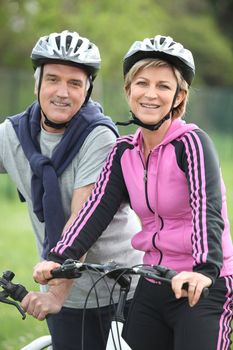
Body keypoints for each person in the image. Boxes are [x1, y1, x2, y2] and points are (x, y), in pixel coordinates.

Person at [23, 35, 233, 350]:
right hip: (152, 280)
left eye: (163, 86)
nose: (151, 94)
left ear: (179, 96)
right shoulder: (124, 152)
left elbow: (207, 208)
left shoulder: (191, 143)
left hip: (202, 285)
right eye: (142, 83)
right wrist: (58, 257)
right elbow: (94, 210)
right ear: (128, 90)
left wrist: (203, 270)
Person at [0, 30, 143, 350]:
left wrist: (56, 295)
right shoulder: (12, 134)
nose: (62, 92)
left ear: (88, 90)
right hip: (66, 294)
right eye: (52, 79)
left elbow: (82, 221)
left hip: (123, 287)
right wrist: (59, 295)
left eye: (75, 83)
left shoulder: (99, 137)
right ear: (37, 84)